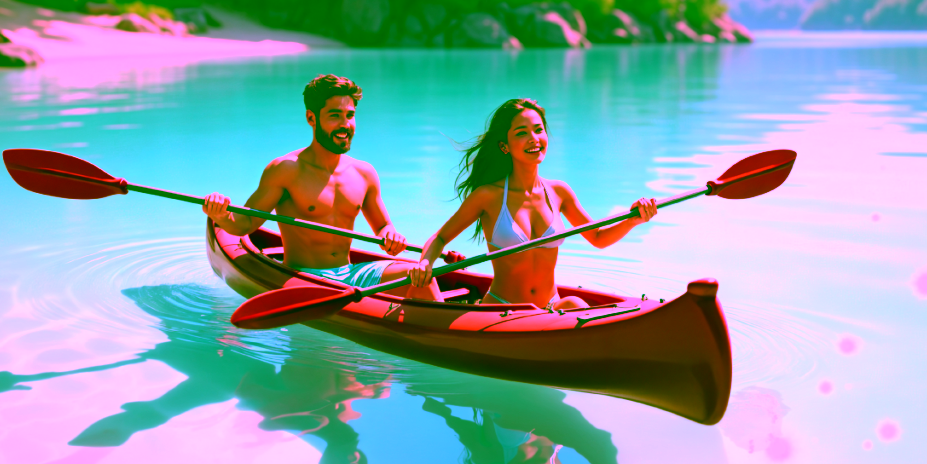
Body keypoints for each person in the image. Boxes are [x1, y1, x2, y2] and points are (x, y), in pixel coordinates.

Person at [203, 74, 449, 300]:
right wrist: (221, 215)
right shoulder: (286, 170)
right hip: (303, 277)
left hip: (351, 274)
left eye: (350, 115)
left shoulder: (365, 173)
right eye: (334, 116)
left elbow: (383, 227)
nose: (345, 124)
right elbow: (245, 224)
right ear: (311, 118)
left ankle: (436, 330)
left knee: (421, 275)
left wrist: (391, 236)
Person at [408, 98, 657, 311]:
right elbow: (440, 238)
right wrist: (425, 263)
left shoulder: (559, 192)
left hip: (550, 307)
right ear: (504, 146)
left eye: (538, 130)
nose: (534, 139)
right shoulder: (488, 195)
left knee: (576, 304)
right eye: (521, 133)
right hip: (501, 309)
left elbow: (598, 237)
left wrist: (633, 219)